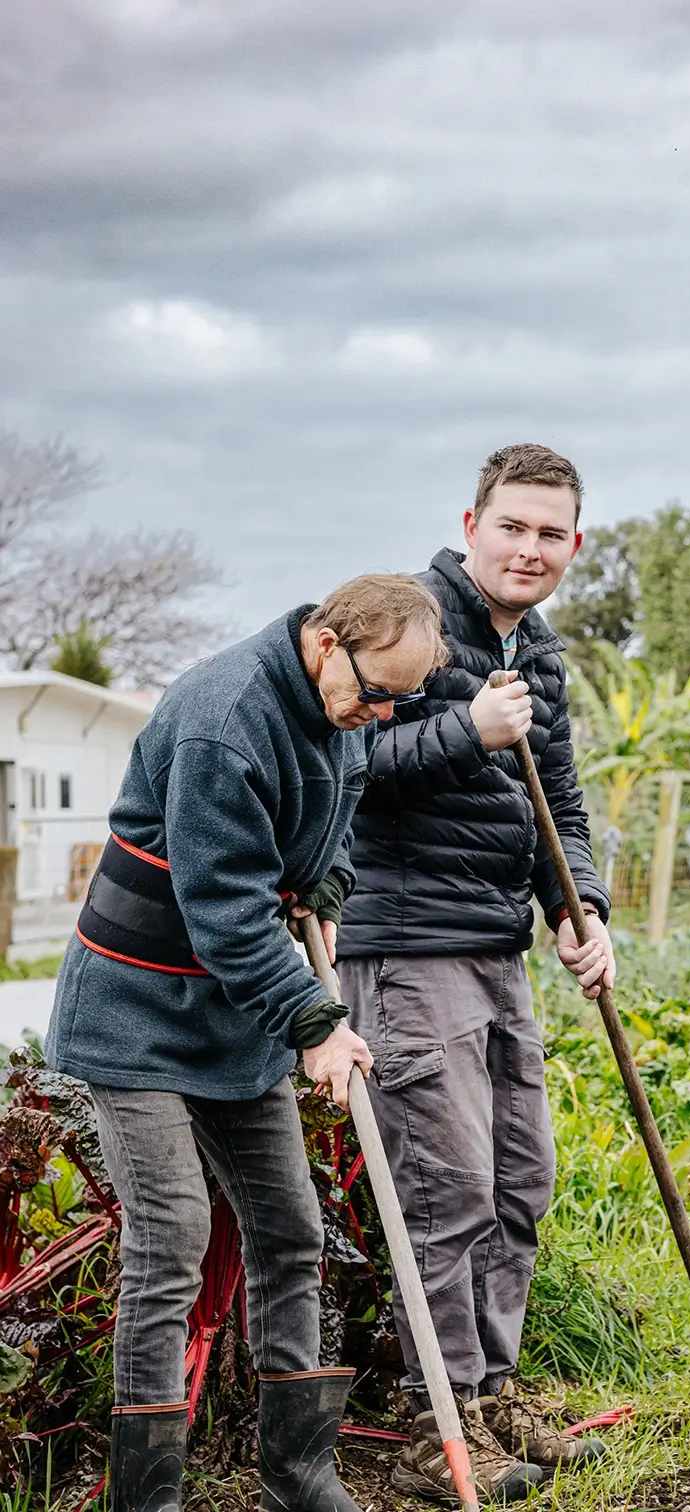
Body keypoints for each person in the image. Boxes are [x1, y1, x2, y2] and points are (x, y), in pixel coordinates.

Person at [44, 575, 447, 1512]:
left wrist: (330, 893)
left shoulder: (343, 712)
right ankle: (147, 1499)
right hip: (137, 1016)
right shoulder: (222, 720)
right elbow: (224, 910)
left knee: (290, 1231)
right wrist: (314, 1024)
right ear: (324, 643)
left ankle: (297, 1477)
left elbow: (331, 835)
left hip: (233, 1019)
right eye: (375, 693)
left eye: (398, 701)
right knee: (172, 1239)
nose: (380, 716)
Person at [337, 444, 616, 1502]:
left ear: (573, 545)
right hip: (407, 950)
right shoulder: (409, 624)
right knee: (446, 1189)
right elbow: (346, 765)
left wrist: (578, 906)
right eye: (514, 526)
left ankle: (492, 1396)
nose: (530, 548)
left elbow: (565, 810)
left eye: (552, 533)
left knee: (519, 1179)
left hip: (498, 949)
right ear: (472, 524)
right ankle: (434, 1423)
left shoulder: (537, 654)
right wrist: (464, 729)